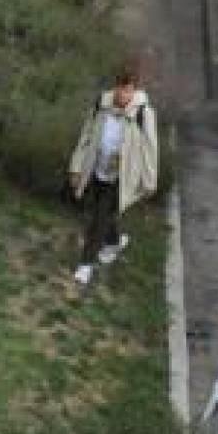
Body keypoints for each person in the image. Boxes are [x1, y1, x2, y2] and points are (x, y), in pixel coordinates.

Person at [66, 65, 159, 287]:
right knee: (101, 211)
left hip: (121, 175)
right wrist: (76, 166)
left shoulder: (143, 113)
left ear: (134, 90)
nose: (122, 94)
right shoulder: (102, 104)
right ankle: (113, 241)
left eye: (127, 90)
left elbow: (150, 148)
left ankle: (85, 264)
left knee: (99, 217)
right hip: (97, 168)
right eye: (119, 88)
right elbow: (86, 135)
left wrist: (149, 180)